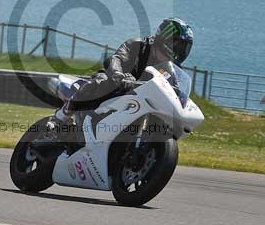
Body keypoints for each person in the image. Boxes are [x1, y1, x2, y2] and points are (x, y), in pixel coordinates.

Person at [44, 17, 194, 137]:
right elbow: (117, 59)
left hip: (139, 100)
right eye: (179, 45)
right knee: (101, 80)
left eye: (184, 47)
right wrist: (119, 75)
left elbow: (173, 89)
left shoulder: (170, 68)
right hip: (117, 86)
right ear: (166, 38)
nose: (181, 51)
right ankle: (60, 118)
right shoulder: (138, 45)